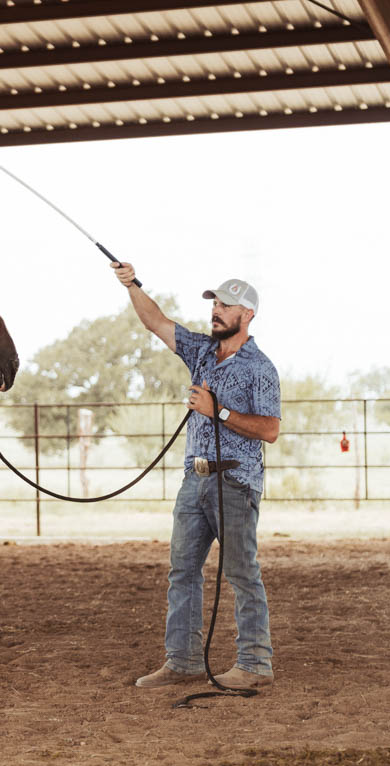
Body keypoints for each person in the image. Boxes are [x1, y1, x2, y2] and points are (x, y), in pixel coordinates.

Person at [112, 262, 281, 691]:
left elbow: (270, 430)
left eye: (226, 305)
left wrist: (218, 411)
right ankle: (183, 659)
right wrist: (132, 284)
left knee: (242, 572)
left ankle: (255, 662)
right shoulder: (203, 351)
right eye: (215, 303)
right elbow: (157, 322)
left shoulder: (260, 368)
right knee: (183, 570)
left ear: (248, 315)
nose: (216, 311)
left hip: (236, 481)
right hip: (195, 478)